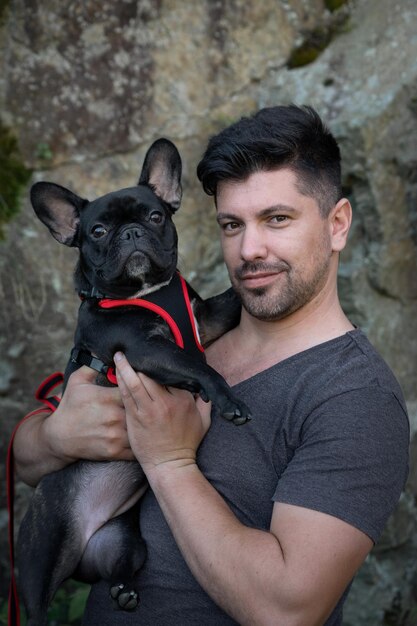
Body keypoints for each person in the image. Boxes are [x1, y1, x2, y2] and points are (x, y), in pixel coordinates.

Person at [13, 105, 409, 626]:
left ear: (337, 225)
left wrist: (169, 462)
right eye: (231, 224)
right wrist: (54, 438)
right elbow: (23, 464)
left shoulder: (354, 398)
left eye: (277, 219)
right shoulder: (182, 331)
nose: (250, 248)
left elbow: (286, 612)